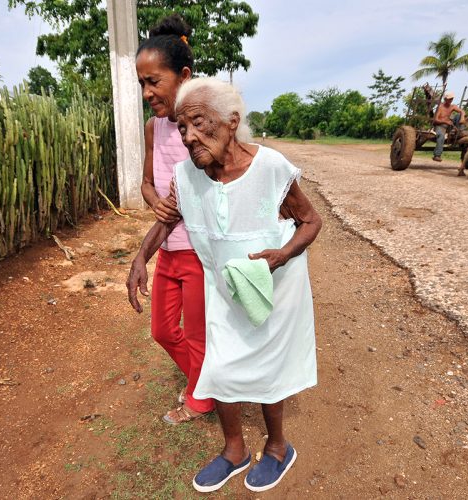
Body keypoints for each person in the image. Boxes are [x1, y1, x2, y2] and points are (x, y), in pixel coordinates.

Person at [126, 78, 322, 493]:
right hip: (222, 288)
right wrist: (141, 259)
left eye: (198, 123)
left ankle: (277, 448)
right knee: (221, 365)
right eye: (182, 128)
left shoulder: (270, 168)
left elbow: (311, 221)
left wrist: (281, 255)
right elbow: (166, 222)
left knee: (270, 367)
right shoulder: (186, 175)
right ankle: (234, 450)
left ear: (231, 122)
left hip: (273, 287)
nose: (189, 137)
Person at [135, 14, 214, 424]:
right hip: (168, 249)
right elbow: (147, 183)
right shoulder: (153, 128)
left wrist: (139, 253)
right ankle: (209, 383)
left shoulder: (200, 126)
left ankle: (200, 397)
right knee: (163, 331)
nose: (148, 92)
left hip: (198, 251)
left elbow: (197, 195)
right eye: (142, 84)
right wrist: (155, 202)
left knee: (199, 335)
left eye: (154, 81)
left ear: (183, 76)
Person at [432, 90, 466, 162]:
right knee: (441, 136)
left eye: (452, 99)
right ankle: (437, 155)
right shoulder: (440, 107)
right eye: (449, 99)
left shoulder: (452, 106)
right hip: (439, 126)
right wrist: (446, 121)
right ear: (445, 99)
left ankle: (460, 131)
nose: (451, 100)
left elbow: (462, 111)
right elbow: (435, 120)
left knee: (459, 115)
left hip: (448, 126)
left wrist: (462, 117)